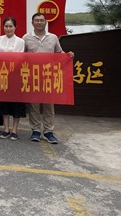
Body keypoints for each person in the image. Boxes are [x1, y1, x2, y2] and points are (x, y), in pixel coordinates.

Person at [23, 12, 74, 144]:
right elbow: (21, 56)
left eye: (42, 20)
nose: (39, 22)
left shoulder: (53, 37)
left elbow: (59, 53)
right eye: (37, 20)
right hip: (33, 76)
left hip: (49, 76)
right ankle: (35, 130)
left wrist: (68, 55)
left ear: (45, 22)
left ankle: (48, 131)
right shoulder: (26, 38)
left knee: (49, 105)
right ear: (32, 23)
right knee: (34, 105)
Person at [0, 16, 26, 141]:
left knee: (16, 104)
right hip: (2, 75)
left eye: (11, 26)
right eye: (6, 26)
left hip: (15, 76)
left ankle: (14, 130)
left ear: (15, 27)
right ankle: (6, 128)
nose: (8, 28)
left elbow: (20, 59)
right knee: (4, 103)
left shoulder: (20, 41)